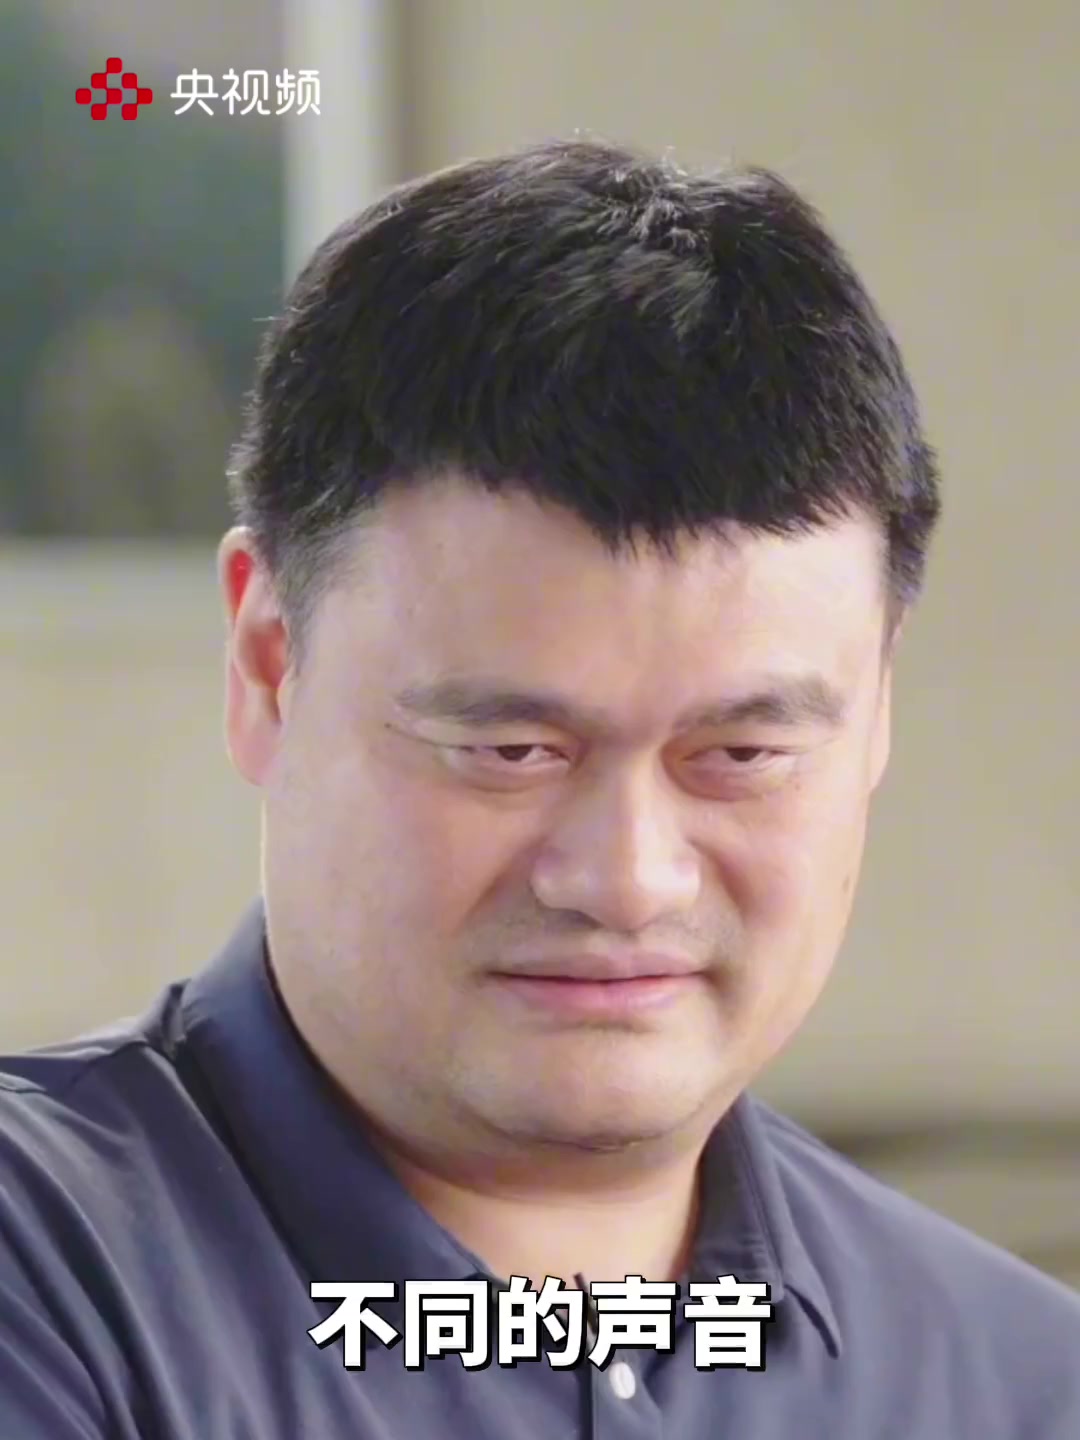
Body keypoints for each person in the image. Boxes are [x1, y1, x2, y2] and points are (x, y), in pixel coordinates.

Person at [1, 138, 1076, 1439]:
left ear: (877, 709)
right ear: (271, 663)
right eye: (512, 751)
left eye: (740, 755)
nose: (627, 879)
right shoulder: (48, 1279)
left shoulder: (1018, 1385)